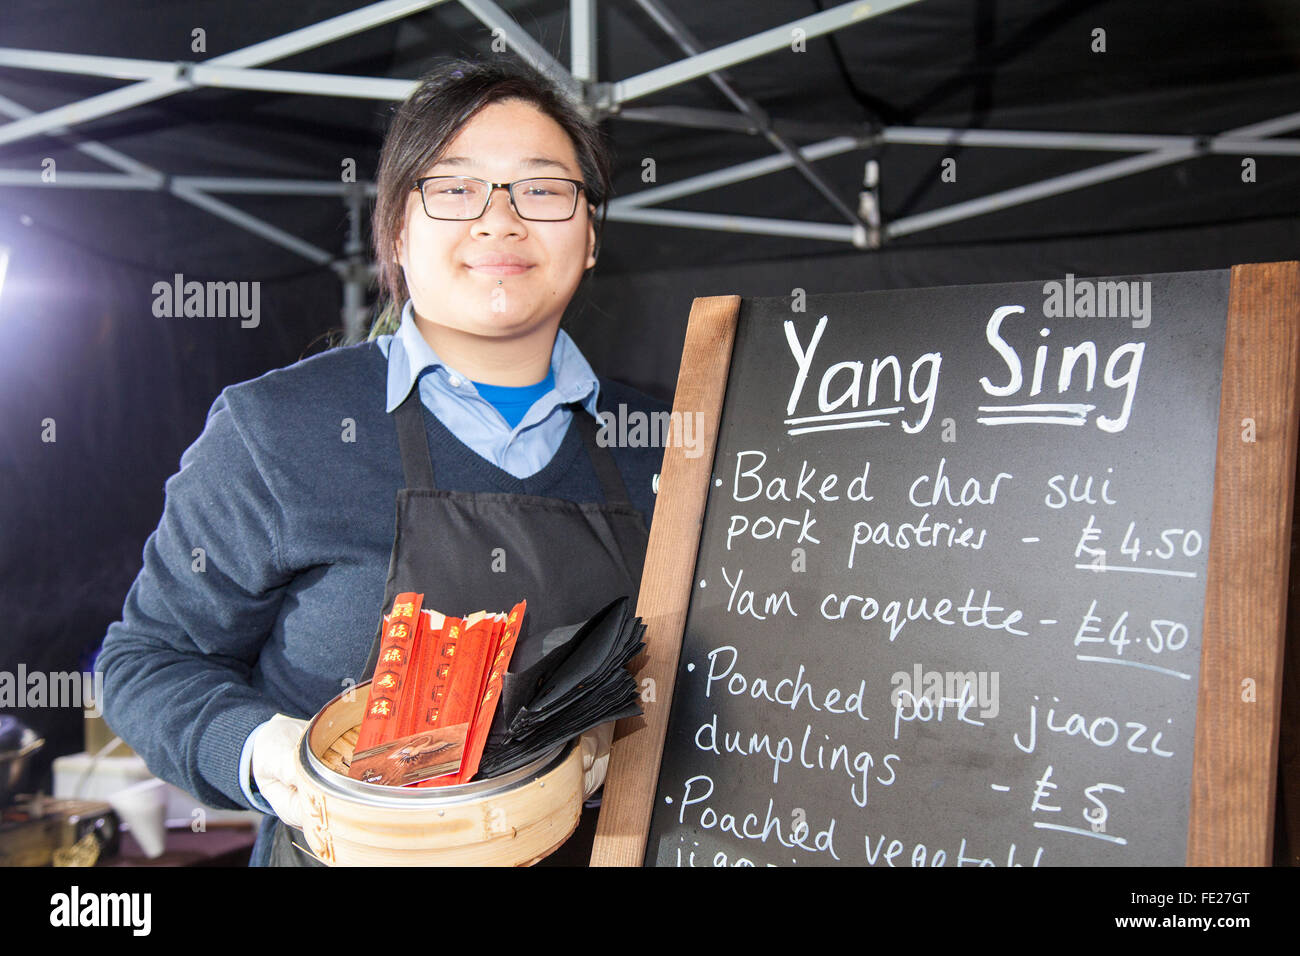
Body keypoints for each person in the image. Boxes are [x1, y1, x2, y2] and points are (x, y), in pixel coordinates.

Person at [97, 57, 667, 866]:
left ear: (592, 235)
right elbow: (147, 660)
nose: (500, 221)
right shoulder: (277, 429)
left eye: (542, 189)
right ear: (398, 230)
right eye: (455, 188)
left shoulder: (671, 444)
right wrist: (267, 755)